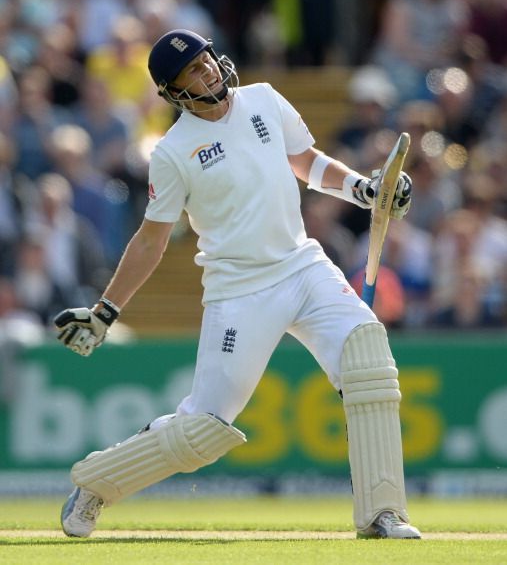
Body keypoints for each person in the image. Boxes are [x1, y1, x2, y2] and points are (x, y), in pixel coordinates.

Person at [53, 29, 420, 540]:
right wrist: (105, 311)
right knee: (204, 426)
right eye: (194, 72)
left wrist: (363, 188)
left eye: (207, 61)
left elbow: (305, 161)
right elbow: (150, 241)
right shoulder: (173, 151)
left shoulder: (264, 99)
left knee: (369, 360)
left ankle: (383, 513)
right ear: (174, 92)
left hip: (302, 266)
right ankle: (96, 483)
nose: (209, 73)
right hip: (239, 292)